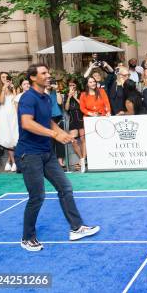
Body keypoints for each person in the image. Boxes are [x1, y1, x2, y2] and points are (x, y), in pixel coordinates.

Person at [15, 63, 99, 252]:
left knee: (65, 187)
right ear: (33, 78)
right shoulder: (28, 98)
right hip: (30, 154)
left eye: (48, 72)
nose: (48, 75)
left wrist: (63, 133)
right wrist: (54, 135)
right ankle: (27, 238)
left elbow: (48, 121)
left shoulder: (45, 97)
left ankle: (76, 228)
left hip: (46, 153)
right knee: (37, 196)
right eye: (43, 73)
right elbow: (27, 123)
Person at [0, 72, 19, 171]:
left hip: (13, 113)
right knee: (7, 137)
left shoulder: (14, 88)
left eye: (6, 77)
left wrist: (13, 89)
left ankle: (9, 161)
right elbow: (2, 101)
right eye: (3, 77)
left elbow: (16, 100)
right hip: (4, 114)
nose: (5, 79)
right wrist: (4, 89)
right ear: (0, 79)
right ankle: (13, 162)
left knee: (14, 136)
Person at [64, 78, 86, 172]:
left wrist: (76, 97)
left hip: (81, 118)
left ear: (76, 85)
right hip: (72, 119)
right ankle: (81, 158)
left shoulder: (81, 94)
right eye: (70, 85)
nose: (72, 87)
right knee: (73, 140)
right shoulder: (66, 95)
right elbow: (66, 108)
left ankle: (83, 161)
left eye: (73, 85)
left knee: (83, 139)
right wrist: (69, 97)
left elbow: (83, 106)